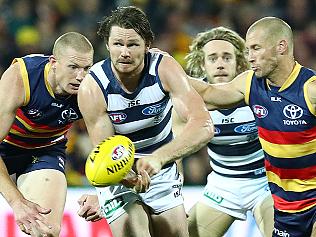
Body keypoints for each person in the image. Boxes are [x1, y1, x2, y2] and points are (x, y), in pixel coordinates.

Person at [77, 6, 213, 237]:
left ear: (147, 44)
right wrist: (130, 177)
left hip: (162, 170)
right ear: (108, 45)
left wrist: (159, 158)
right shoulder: (93, 87)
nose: (124, 52)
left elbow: (203, 125)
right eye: (118, 44)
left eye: (132, 44)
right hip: (119, 173)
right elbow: (106, 151)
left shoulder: (164, 68)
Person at [189, 17, 316, 237]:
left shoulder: (310, 90)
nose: (249, 57)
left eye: (255, 48)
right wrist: (162, 70)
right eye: (247, 50)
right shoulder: (249, 84)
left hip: (294, 196)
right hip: (286, 204)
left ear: (281, 47)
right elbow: (209, 95)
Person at [174, 26, 274, 237]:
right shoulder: (188, 102)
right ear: (202, 64)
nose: (220, 63)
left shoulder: (257, 90)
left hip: (265, 183)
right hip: (223, 186)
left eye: (227, 57)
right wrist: (173, 200)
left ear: (238, 63)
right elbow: (174, 155)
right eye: (213, 58)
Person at [0, 32, 94, 236]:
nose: (81, 76)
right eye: (73, 67)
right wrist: (17, 202)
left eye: (86, 68)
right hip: (4, 148)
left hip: (44, 151)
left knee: (45, 231)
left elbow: (106, 145)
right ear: (54, 62)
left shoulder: (92, 88)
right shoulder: (22, 76)